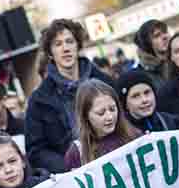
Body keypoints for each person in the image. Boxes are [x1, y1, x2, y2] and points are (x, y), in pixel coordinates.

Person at [25, 18, 116, 173]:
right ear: (50, 53)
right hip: (76, 176)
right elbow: (36, 151)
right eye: (58, 44)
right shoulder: (39, 100)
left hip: (115, 160)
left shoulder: (105, 82)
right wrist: (69, 167)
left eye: (69, 41)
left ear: (78, 45)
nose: (65, 48)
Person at [64, 79, 142, 170]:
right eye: (101, 113)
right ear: (85, 116)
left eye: (112, 109)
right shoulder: (77, 153)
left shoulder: (134, 135)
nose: (110, 117)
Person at [117, 69, 179, 134]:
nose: (144, 100)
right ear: (125, 104)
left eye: (147, 92)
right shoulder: (123, 134)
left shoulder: (174, 123)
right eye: (136, 96)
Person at [132, 19, 171, 89]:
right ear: (148, 44)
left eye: (165, 32)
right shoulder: (143, 76)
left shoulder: (178, 59)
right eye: (157, 35)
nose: (164, 37)